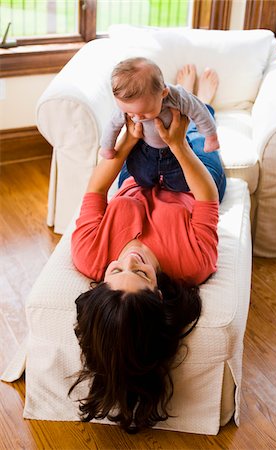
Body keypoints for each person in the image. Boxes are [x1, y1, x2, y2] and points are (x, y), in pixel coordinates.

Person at [69, 66, 226, 433]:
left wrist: (123, 146)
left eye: (115, 271)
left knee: (145, 130)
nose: (129, 260)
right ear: (157, 292)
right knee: (198, 138)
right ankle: (199, 102)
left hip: (135, 182)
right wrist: (178, 145)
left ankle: (173, 99)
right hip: (193, 181)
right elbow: (207, 199)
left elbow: (95, 192)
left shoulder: (89, 255)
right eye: (139, 274)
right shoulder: (193, 265)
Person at [100, 58, 220, 193]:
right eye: (130, 113)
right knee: (142, 178)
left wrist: (211, 136)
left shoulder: (173, 96)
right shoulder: (127, 107)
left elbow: (199, 111)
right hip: (144, 148)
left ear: (163, 93)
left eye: (145, 112)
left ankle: (193, 99)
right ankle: (191, 99)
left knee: (180, 182)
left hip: (174, 150)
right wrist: (108, 147)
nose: (137, 118)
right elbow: (112, 125)